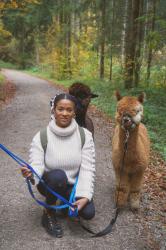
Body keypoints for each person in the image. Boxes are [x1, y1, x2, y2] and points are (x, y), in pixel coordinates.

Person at [21, 93, 95, 238]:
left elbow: (88, 168)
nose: (64, 113)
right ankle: (48, 212)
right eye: (60, 109)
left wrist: (85, 196)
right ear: (53, 110)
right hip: (50, 184)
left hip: (71, 185)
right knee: (58, 176)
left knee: (88, 213)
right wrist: (31, 173)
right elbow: (36, 164)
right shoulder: (41, 136)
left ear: (74, 113)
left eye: (69, 110)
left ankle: (65, 203)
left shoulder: (85, 136)